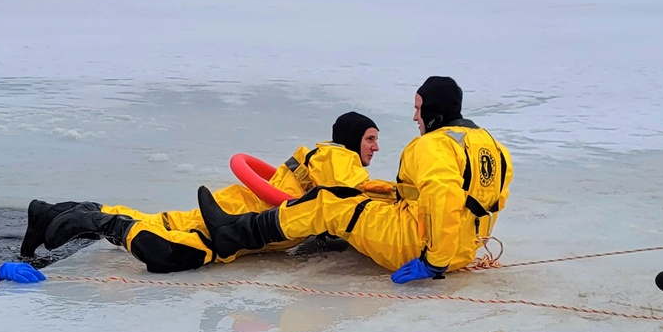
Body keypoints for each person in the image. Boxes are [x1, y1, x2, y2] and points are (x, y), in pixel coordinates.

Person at [196, 76, 512, 283]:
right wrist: (378, 191)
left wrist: (434, 261)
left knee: (328, 203)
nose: (415, 117)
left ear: (434, 111)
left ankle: (233, 233)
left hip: (416, 247)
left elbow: (443, 198)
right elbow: (476, 199)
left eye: (418, 109)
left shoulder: (432, 145)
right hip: (465, 248)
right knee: (358, 202)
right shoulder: (494, 148)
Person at [21, 112, 390, 273]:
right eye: (370, 139)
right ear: (351, 137)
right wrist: (400, 195)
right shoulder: (341, 158)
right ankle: (91, 220)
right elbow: (354, 197)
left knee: (164, 221)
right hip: (246, 216)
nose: (374, 147)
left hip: (242, 202)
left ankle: (55, 212)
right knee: (185, 242)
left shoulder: (321, 152)